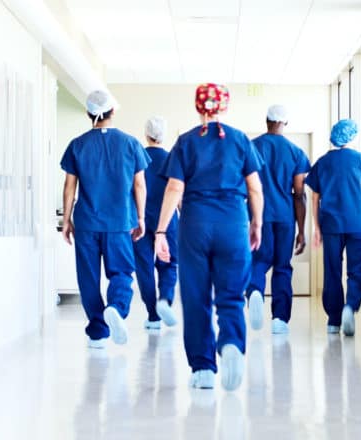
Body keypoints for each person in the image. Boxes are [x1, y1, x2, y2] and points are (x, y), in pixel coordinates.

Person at [154, 83, 264, 391]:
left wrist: (160, 231)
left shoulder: (186, 142)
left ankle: (202, 368)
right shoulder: (241, 139)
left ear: (198, 106)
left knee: (196, 295)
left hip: (195, 224)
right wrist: (256, 223)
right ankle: (230, 342)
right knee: (230, 294)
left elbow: (175, 188)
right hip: (233, 222)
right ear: (224, 107)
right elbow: (255, 188)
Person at [60, 89, 150, 349]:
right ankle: (116, 308)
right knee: (121, 272)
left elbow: (69, 187)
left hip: (87, 223)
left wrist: (67, 220)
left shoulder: (77, 145)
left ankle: (98, 332)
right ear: (113, 111)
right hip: (120, 221)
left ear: (89, 113)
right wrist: (141, 218)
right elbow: (140, 186)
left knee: (88, 278)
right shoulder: (130, 143)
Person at [305, 119, 361, 337]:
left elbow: (315, 197)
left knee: (332, 271)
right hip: (359, 223)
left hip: (331, 224)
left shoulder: (322, 163)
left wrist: (317, 227)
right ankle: (350, 307)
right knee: (355, 271)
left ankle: (333, 320)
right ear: (353, 137)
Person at [246, 105, 311, 335]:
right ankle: (280, 319)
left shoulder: (251, 148)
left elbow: (244, 186)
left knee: (258, 262)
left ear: (266, 121)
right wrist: (301, 231)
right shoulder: (296, 152)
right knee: (282, 266)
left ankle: (254, 291)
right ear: (285, 123)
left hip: (258, 215)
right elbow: (299, 194)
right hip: (285, 217)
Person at [133, 116, 179, 331]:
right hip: (167, 221)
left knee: (144, 267)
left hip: (139, 219)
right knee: (169, 263)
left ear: (146, 134)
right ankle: (165, 300)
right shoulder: (172, 159)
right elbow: (178, 193)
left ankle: (153, 316)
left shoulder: (137, 157)